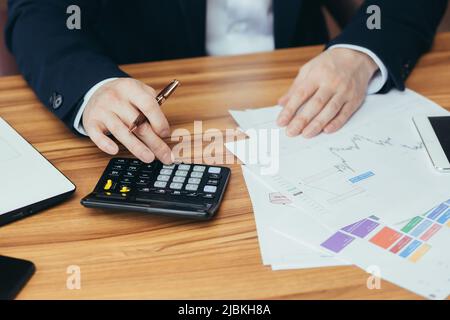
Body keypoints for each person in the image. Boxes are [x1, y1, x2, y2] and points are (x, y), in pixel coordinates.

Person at [5, 0, 448, 164]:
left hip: (300, 108)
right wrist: (94, 87)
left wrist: (358, 53)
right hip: (167, 123)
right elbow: (39, 12)